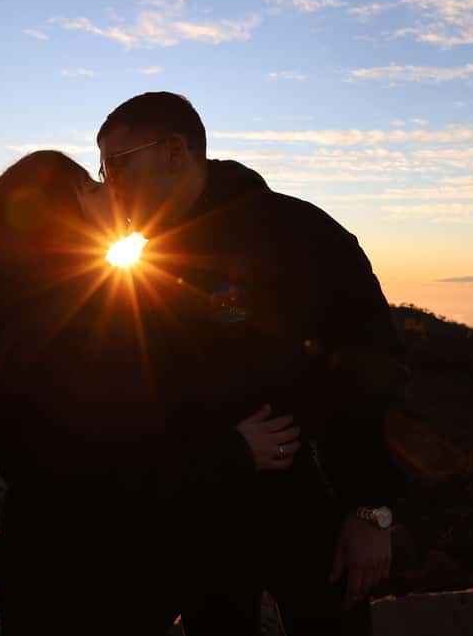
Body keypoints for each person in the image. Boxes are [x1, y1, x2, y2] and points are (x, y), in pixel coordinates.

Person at [95, 92, 407, 635]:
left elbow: (372, 367)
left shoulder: (303, 235)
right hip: (204, 522)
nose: (108, 184)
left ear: (174, 151)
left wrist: (371, 510)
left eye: (116, 164)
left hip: (316, 517)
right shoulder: (143, 264)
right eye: (103, 170)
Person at [0, 150, 301, 634]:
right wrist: (237, 453)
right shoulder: (64, 335)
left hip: (57, 579)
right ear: (60, 216)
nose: (110, 190)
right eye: (91, 187)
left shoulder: (47, 317)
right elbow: (102, 483)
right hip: (87, 589)